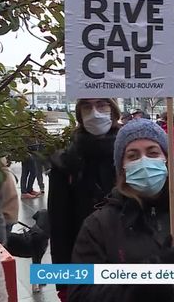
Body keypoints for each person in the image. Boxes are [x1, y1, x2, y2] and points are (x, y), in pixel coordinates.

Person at [68, 119, 174, 302]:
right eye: (133, 156)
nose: (144, 161)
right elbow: (80, 293)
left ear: (167, 160)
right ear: (122, 168)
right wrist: (143, 285)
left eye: (152, 152)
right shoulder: (98, 226)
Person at [48, 98, 121, 302]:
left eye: (101, 105)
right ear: (79, 115)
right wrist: (64, 283)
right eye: (87, 106)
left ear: (114, 110)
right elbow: (59, 229)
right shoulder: (65, 164)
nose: (94, 113)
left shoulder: (130, 156)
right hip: (84, 266)